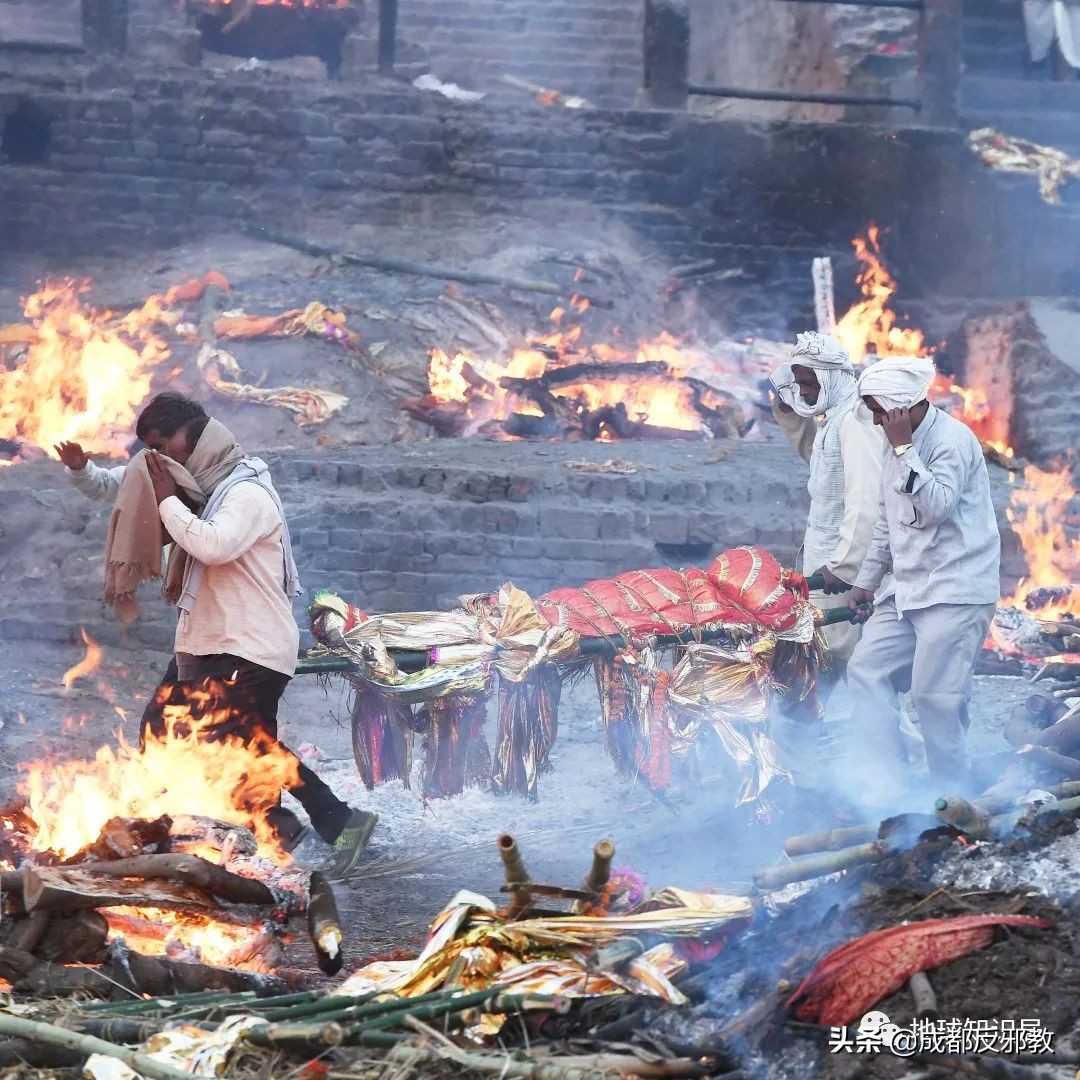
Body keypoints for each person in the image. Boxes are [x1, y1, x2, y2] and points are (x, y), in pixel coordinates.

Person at [57, 393, 377, 875]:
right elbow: (120, 487)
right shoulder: (186, 481)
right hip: (205, 641)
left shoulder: (245, 491)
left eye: (162, 444)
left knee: (246, 740)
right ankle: (277, 829)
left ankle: (330, 824)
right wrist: (81, 471)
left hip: (253, 644)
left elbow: (213, 546)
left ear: (191, 433)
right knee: (162, 725)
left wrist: (166, 501)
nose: (157, 457)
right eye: (150, 449)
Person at [845, 357, 1000, 802]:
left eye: (880, 411)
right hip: (905, 590)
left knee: (936, 698)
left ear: (903, 406)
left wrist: (902, 448)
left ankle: (952, 798)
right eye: (872, 412)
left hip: (955, 589)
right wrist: (867, 580)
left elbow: (935, 508)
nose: (876, 420)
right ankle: (887, 786)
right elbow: (886, 519)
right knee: (866, 671)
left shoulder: (952, 440)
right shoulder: (890, 441)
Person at [770, 331, 884, 667]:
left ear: (830, 378)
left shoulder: (857, 421)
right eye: (799, 382)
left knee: (839, 657)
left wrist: (843, 566)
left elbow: (865, 499)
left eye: (809, 383)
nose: (803, 391)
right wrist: (789, 412)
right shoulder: (835, 418)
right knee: (826, 653)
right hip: (827, 558)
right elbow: (826, 466)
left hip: (843, 569)